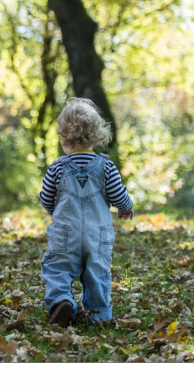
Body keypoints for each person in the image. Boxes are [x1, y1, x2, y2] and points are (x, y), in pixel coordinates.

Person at [39, 98, 134, 327]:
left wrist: (56, 210)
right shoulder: (106, 167)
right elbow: (117, 193)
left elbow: (45, 197)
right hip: (97, 234)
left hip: (65, 231)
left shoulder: (57, 167)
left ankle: (61, 300)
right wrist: (126, 206)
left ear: (64, 138)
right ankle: (99, 314)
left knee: (58, 268)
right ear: (97, 136)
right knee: (97, 272)